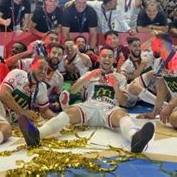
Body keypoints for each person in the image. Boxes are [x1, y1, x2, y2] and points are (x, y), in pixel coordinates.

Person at [18, 47, 155, 153]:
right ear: (99, 59)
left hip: (109, 108)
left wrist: (115, 87)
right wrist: (88, 77)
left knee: (122, 114)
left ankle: (135, 138)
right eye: (104, 56)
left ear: (113, 60)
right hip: (89, 106)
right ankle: (37, 135)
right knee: (71, 111)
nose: (106, 59)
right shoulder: (90, 73)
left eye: (109, 56)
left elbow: (124, 101)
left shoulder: (120, 77)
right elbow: (74, 90)